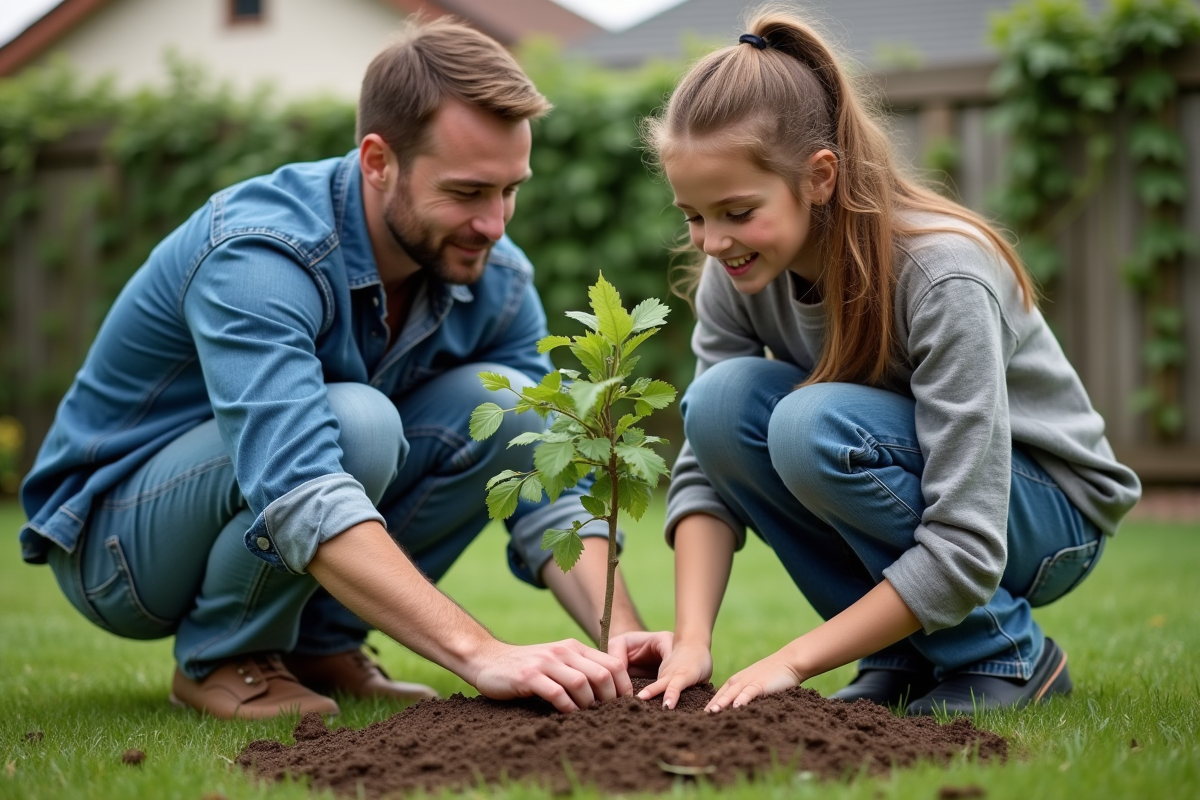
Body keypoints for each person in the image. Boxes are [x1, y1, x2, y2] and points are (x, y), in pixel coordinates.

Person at [18, 16, 661, 720]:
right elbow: (301, 484)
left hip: (261, 507)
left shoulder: (496, 280)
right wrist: (484, 654)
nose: (496, 224)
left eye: (510, 190)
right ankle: (225, 657)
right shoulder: (261, 256)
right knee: (357, 422)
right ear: (378, 161)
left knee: (515, 409)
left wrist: (620, 635)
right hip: (118, 544)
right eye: (468, 192)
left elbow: (551, 474)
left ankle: (320, 644)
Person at [635, 9, 1142, 716]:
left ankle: (1003, 652)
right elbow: (705, 470)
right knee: (720, 404)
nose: (713, 241)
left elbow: (967, 533)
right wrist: (691, 638)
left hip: (1044, 513)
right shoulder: (735, 271)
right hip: (931, 484)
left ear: (818, 177)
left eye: (737, 210)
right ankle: (905, 653)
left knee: (811, 425)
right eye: (693, 216)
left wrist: (794, 659)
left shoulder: (942, 276)